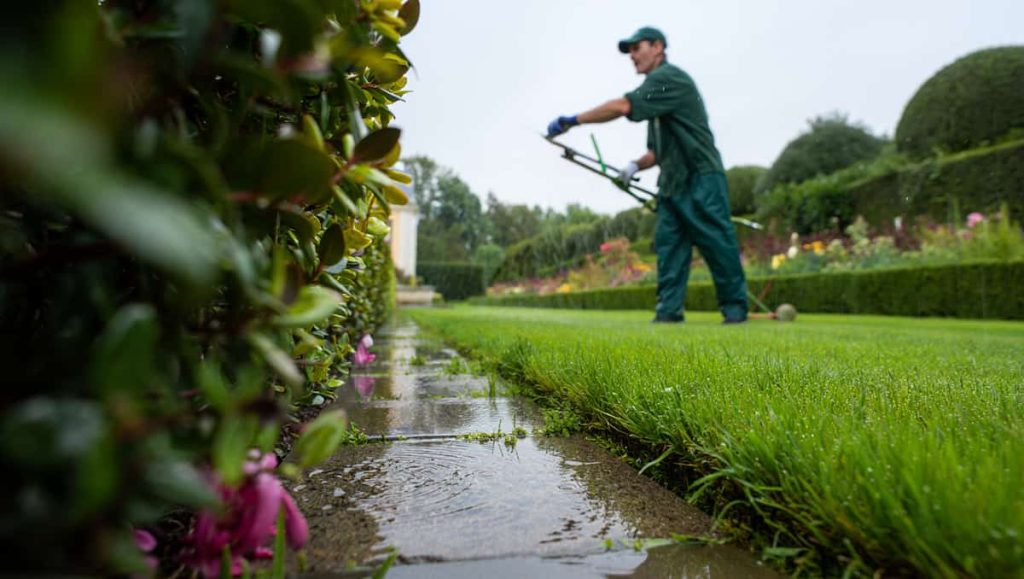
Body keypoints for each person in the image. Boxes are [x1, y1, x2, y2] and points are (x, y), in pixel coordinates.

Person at [546, 26, 748, 324]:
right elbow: (655, 154)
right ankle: (668, 313)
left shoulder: (669, 80)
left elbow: (624, 106)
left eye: (636, 48)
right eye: (629, 51)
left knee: (717, 244)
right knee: (670, 249)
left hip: (701, 177)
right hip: (672, 184)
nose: (632, 56)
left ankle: (735, 313)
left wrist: (572, 121)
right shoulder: (656, 105)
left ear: (658, 47)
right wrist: (632, 167)